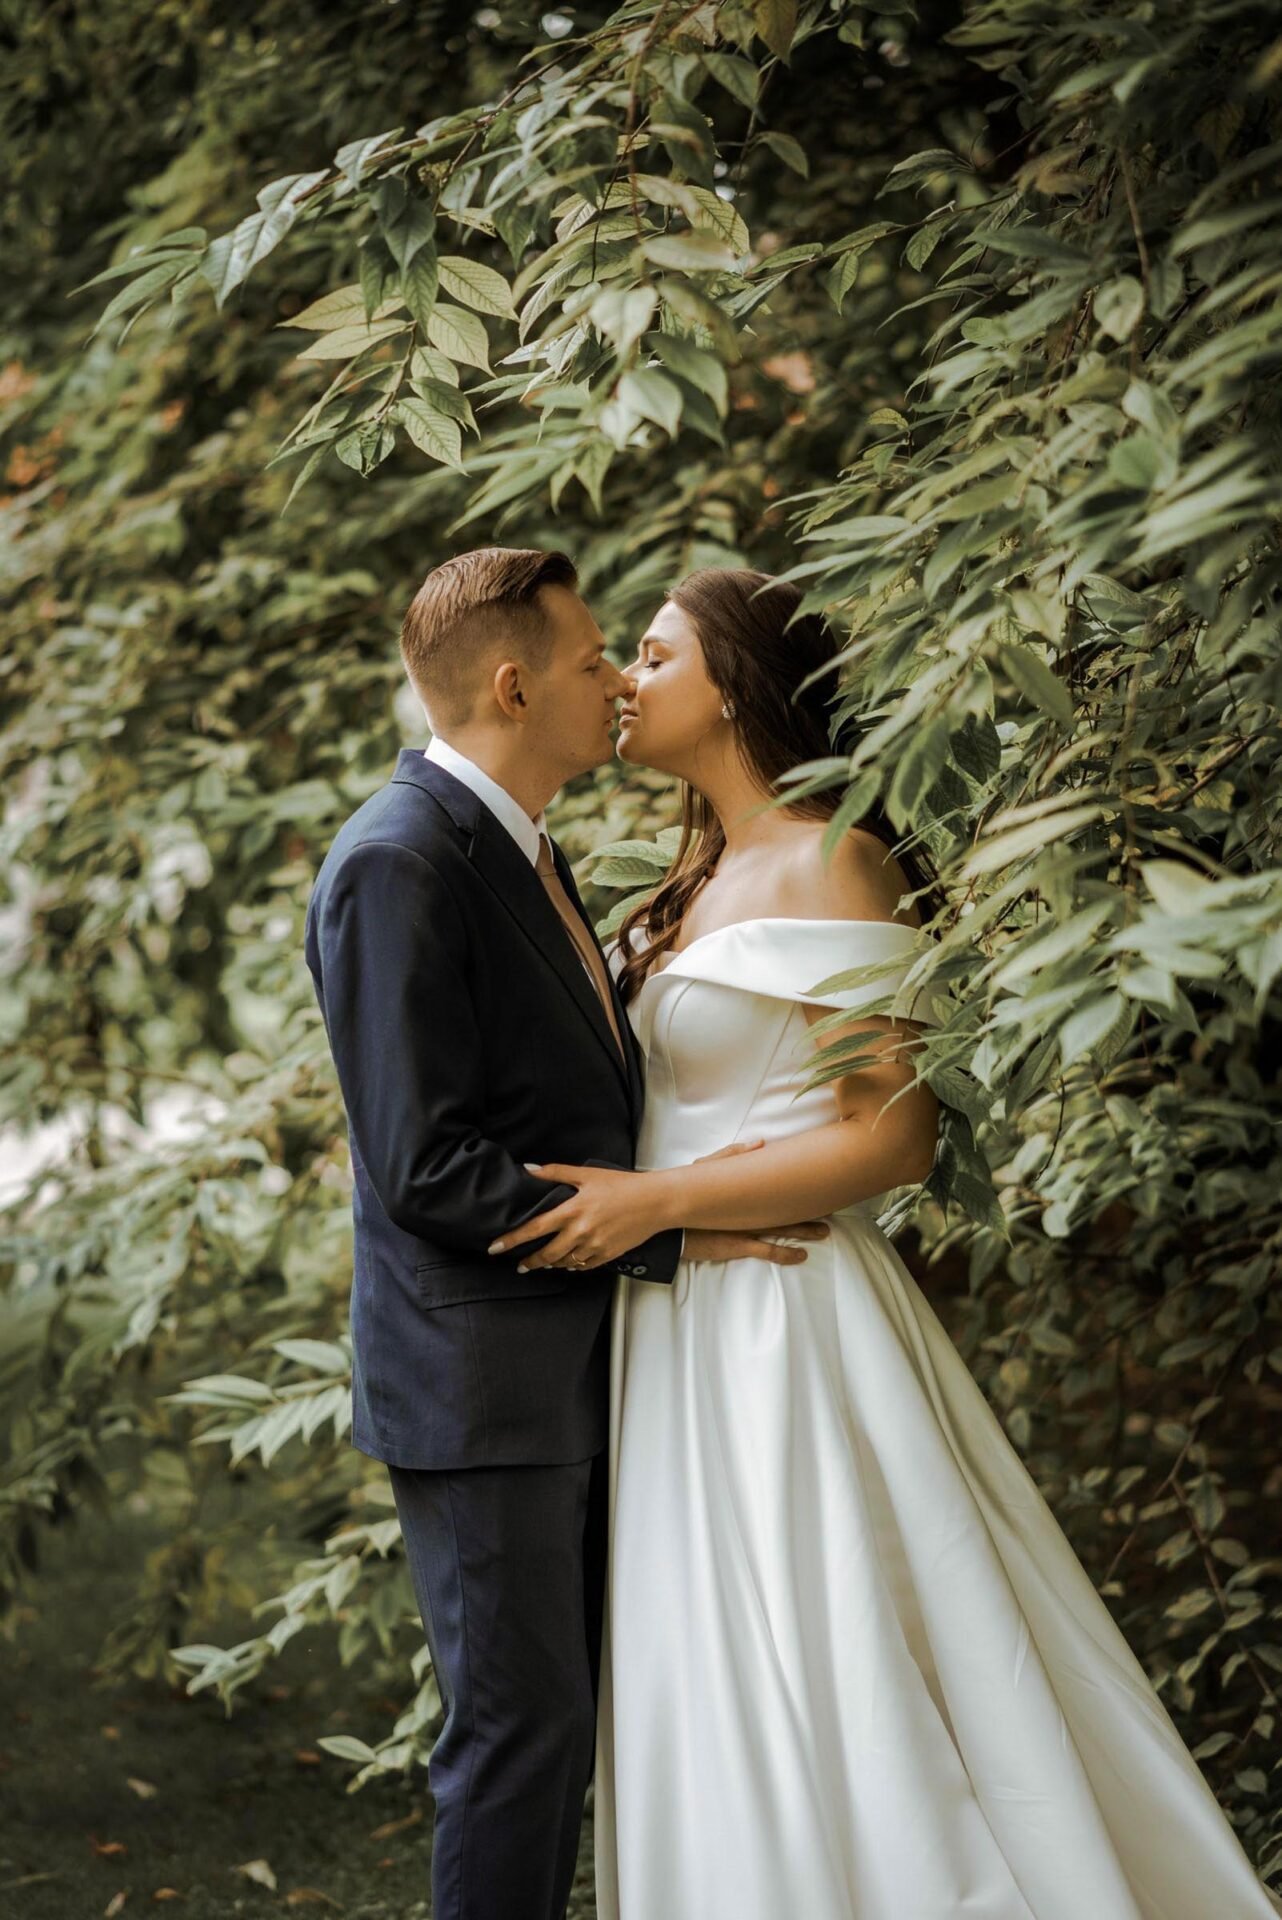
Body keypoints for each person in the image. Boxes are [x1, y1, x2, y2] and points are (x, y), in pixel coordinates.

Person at [490, 567, 1282, 1920]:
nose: (625, 678)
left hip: (782, 1324)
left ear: (737, 684)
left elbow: (890, 1137)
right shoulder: (693, 876)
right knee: (703, 1651)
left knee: (828, 1638)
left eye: (657, 654)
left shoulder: (832, 856)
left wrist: (656, 1204)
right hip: (674, 1318)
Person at [302, 547, 830, 1920]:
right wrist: (666, 1239)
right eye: (597, 658)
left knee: (566, 1727)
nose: (613, 682)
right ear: (515, 681)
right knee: (516, 1743)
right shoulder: (401, 860)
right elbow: (425, 1166)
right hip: (483, 1395)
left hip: (567, 1369)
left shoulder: (515, 846)